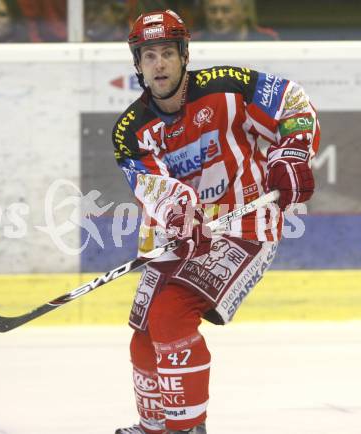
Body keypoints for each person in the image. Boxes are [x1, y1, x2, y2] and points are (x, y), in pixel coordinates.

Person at [112, 9, 319, 434]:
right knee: (145, 332)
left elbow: (291, 100)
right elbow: (149, 185)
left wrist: (293, 151)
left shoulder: (227, 86)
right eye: (149, 56)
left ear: (184, 55)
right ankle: (153, 426)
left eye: (168, 52)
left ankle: (188, 428)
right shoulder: (130, 131)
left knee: (171, 315)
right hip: (180, 234)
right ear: (138, 64)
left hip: (244, 226)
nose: (160, 64)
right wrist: (178, 211)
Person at [195, 0, 279, 41]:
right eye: (212, 10)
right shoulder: (194, 41)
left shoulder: (266, 39)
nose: (218, 17)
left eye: (226, 10)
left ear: (244, 12)